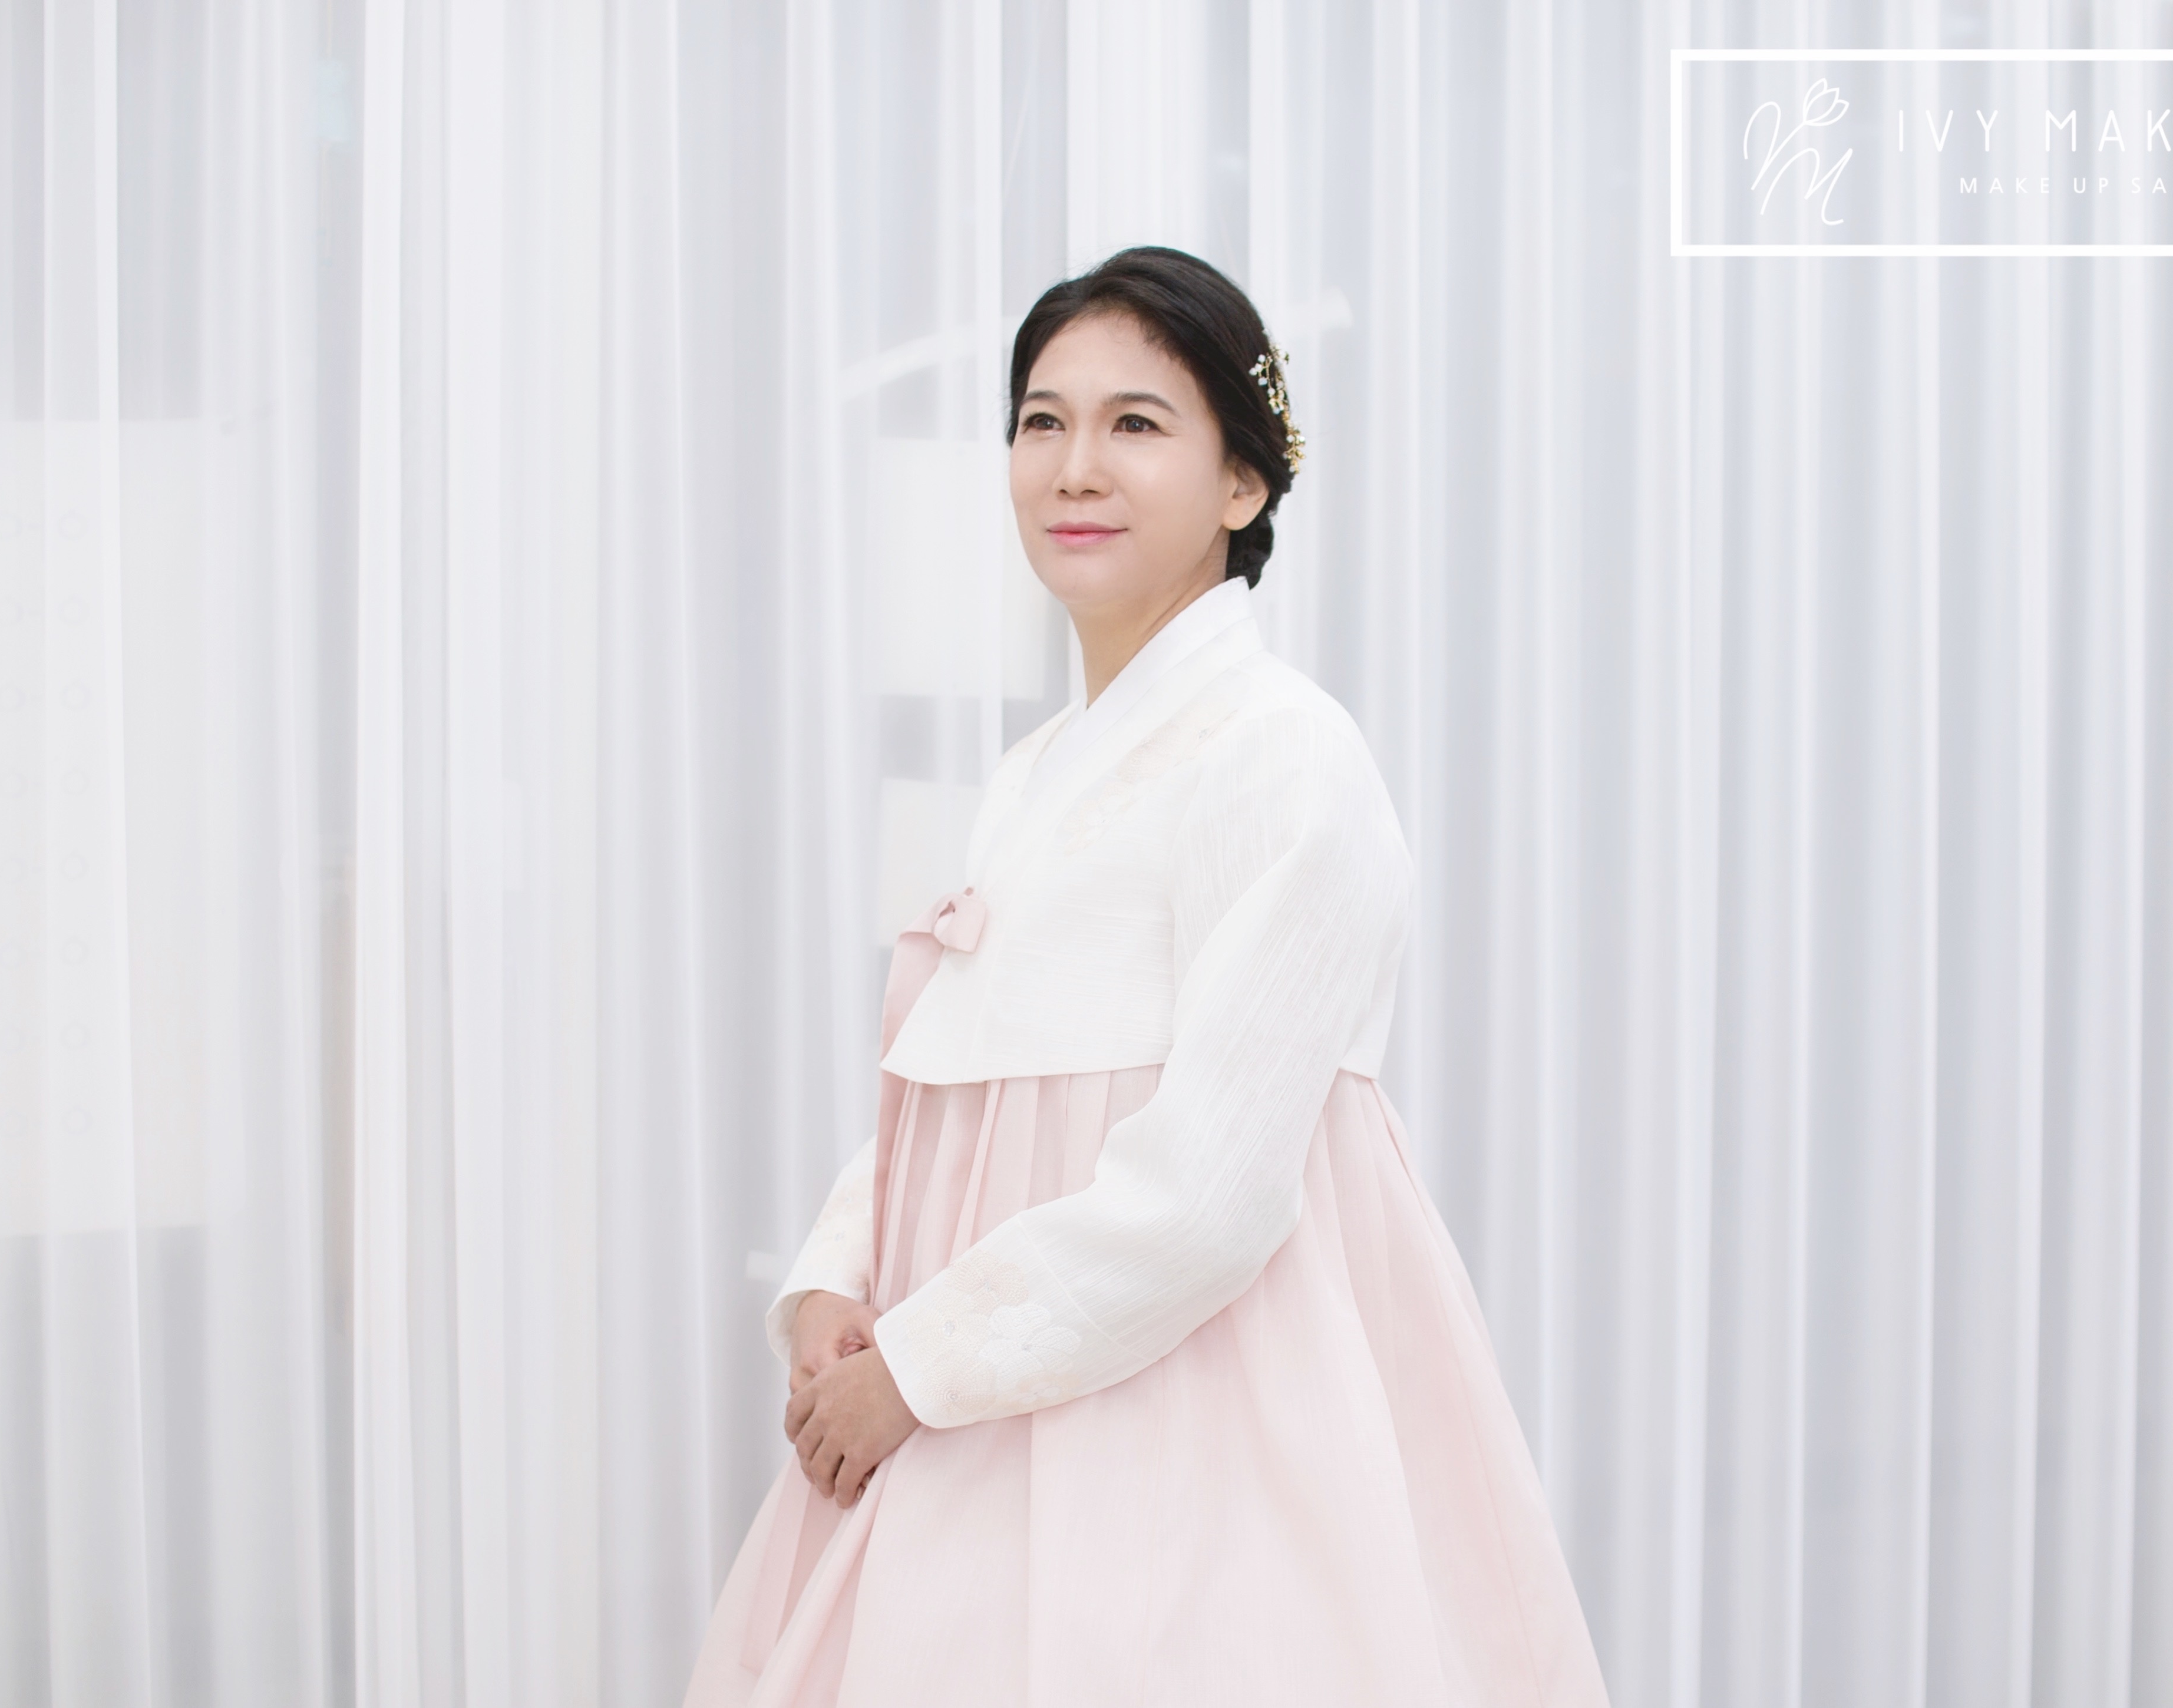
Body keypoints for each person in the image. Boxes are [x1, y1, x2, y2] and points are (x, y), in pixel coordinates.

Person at [683, 247, 1610, 1707]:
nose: (1074, 466)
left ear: (1242, 481)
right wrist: (830, 1285)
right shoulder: (1028, 776)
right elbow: (957, 1075)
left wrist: (915, 1366)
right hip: (977, 1390)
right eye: (1041, 421)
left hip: (1191, 1406)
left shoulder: (1283, 755)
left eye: (1135, 423)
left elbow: (1210, 1194)